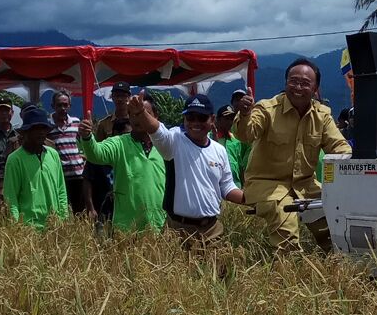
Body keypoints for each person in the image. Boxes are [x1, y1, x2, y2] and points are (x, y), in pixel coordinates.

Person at [234, 58, 351, 249]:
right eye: (293, 81)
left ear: (315, 89)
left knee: (335, 223)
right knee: (285, 223)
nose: (298, 87)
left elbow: (339, 147)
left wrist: (355, 164)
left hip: (306, 186)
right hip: (267, 185)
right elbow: (246, 134)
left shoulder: (322, 116)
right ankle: (286, 274)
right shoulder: (267, 108)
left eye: (305, 83)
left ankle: (335, 270)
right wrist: (245, 114)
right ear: (285, 83)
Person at [127, 92, 244, 244]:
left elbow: (227, 186)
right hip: (178, 230)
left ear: (212, 120)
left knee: (217, 268)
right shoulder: (174, 140)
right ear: (184, 118)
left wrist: (249, 198)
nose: (195, 122)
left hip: (212, 229)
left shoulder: (219, 150)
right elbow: (156, 130)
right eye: (190, 117)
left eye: (201, 118)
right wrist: (141, 113)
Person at [79, 101, 167, 232]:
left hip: (160, 226)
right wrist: (87, 137)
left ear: (156, 116)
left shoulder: (166, 145)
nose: (138, 118)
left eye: (144, 113)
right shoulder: (119, 143)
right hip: (127, 229)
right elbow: (95, 154)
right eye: (133, 114)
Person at [3, 105, 70, 230]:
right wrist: (17, 227)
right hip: (29, 229)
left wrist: (63, 218)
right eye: (35, 129)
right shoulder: (15, 160)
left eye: (43, 129)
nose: (40, 132)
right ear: (26, 132)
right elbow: (10, 198)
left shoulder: (53, 155)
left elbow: (61, 190)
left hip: (54, 226)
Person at [83, 81, 133, 220]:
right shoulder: (104, 123)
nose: (120, 99)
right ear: (112, 97)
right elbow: (97, 150)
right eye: (117, 95)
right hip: (107, 173)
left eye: (123, 96)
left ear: (129, 97)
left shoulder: (137, 122)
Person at [46, 90, 88, 215]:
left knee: (79, 210)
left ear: (69, 106)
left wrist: (84, 156)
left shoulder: (75, 122)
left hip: (78, 173)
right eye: (59, 105)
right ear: (53, 106)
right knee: (63, 210)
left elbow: (85, 142)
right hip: (60, 176)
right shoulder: (48, 125)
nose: (63, 108)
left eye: (65, 105)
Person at [213, 104, 250, 187]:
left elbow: (240, 165)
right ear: (217, 120)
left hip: (235, 186)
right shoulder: (208, 138)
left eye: (231, 119)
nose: (230, 122)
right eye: (226, 119)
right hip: (217, 186)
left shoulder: (236, 141)